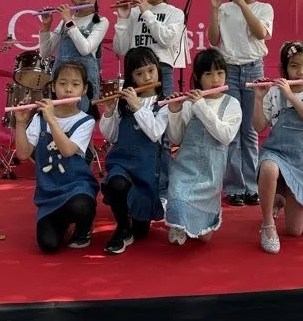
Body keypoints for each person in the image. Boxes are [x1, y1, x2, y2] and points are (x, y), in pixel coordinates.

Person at [13, 60, 98, 253]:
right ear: (52, 86)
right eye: (62, 83)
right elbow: (23, 154)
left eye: (75, 84)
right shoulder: (39, 118)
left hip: (77, 187)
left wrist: (51, 119)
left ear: (84, 89)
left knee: (82, 206)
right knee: (48, 245)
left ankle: (83, 230)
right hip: (49, 191)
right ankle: (61, 221)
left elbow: (67, 150)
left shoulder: (86, 121)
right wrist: (20, 123)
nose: (68, 89)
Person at [208, 0, 274, 207]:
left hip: (254, 69)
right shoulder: (224, 9)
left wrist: (243, 4)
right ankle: (234, 187)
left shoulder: (264, 8)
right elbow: (213, 39)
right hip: (229, 70)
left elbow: (260, 33)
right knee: (232, 130)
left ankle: (252, 186)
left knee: (250, 130)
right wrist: (214, 8)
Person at [252, 42, 303, 254]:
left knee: (295, 231)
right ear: (285, 69)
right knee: (268, 168)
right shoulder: (274, 93)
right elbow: (258, 126)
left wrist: (291, 96)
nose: (301, 72)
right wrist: (258, 98)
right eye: (294, 66)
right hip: (275, 152)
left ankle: (280, 197)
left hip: (301, 162)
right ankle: (268, 224)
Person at [164, 49, 241, 246]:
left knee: (204, 238)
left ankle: (192, 221)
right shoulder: (189, 103)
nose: (215, 79)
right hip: (185, 166)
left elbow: (225, 136)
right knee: (178, 199)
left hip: (211, 171)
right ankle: (178, 222)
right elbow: (176, 138)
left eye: (220, 73)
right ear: (198, 77)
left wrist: (200, 106)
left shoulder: (232, 104)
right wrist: (174, 112)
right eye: (208, 74)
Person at [99, 47, 168, 254]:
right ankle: (122, 227)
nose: (147, 77)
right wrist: (109, 112)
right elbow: (111, 136)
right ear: (131, 78)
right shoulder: (124, 103)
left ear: (158, 70)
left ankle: (133, 221)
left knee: (141, 232)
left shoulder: (164, 104)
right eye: (139, 73)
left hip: (147, 169)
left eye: (151, 70)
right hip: (122, 163)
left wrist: (138, 107)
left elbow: (155, 133)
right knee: (116, 183)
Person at [39, 0, 108, 115]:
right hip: (61, 83)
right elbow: (45, 52)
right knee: (59, 120)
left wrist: (69, 21)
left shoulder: (101, 22)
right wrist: (46, 26)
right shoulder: (65, 22)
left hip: (83, 85)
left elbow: (85, 49)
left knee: (82, 121)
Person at [113, 0, 186, 96]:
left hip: (162, 68)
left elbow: (166, 41)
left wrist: (146, 13)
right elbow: (120, 49)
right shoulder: (133, 12)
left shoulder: (175, 13)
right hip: (136, 71)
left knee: (163, 108)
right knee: (134, 107)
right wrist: (122, 19)